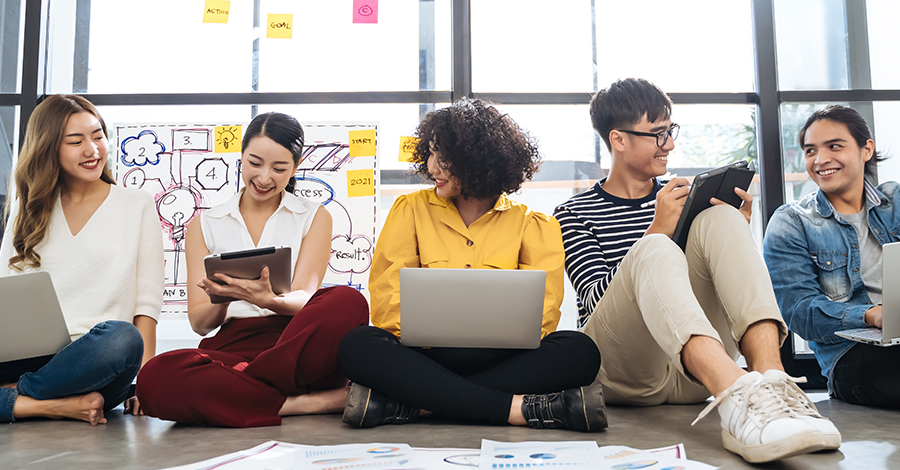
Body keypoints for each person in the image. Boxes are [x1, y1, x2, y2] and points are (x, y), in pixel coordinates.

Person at [553, 78, 840, 462]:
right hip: (624, 373)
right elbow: (592, 303)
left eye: (670, 131)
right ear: (618, 139)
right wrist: (656, 230)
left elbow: (724, 284)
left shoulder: (686, 197)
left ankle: (773, 387)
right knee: (655, 247)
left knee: (722, 216)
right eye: (657, 134)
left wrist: (737, 228)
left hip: (692, 373)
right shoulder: (573, 213)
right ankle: (736, 394)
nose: (670, 144)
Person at [337, 98, 605, 432]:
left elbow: (543, 318)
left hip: (502, 359)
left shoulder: (535, 225)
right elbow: (387, 302)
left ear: (477, 159)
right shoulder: (410, 210)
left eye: (443, 156)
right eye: (430, 152)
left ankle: (416, 404)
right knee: (359, 345)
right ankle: (517, 409)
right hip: (422, 355)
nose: (431, 166)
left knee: (579, 351)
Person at [135, 112, 368, 428]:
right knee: (154, 377)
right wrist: (227, 298)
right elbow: (199, 324)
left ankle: (244, 388)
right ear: (241, 158)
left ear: (295, 168)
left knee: (347, 300)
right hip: (235, 347)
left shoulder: (314, 215)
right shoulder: (204, 224)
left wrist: (268, 300)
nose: (264, 177)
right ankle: (305, 403)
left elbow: (304, 297)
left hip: (297, 341)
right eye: (254, 163)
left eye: (279, 168)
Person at [0, 95, 164, 425]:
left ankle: (18, 395)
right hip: (29, 356)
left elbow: (146, 307)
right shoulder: (27, 207)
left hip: (98, 361)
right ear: (49, 148)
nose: (93, 150)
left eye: (98, 135)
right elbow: (6, 294)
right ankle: (51, 405)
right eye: (76, 141)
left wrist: (144, 385)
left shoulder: (137, 205)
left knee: (123, 338)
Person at [763, 105, 899, 408]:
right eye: (811, 150)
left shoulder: (896, 202)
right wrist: (870, 315)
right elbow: (800, 312)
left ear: (866, 150)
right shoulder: (792, 222)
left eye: (834, 146)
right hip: (851, 356)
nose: (820, 160)